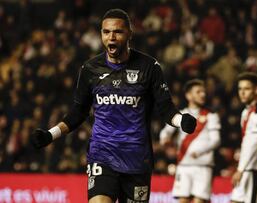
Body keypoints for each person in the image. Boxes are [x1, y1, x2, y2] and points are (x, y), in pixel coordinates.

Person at [30, 9, 197, 203]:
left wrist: (181, 120)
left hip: (137, 159)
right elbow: (77, 113)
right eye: (106, 32)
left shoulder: (149, 67)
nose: (111, 37)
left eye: (118, 32)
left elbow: (166, 109)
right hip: (102, 154)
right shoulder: (90, 69)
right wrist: (50, 134)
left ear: (129, 34)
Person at [159, 79, 221, 203]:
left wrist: (199, 151)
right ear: (188, 95)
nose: (203, 94)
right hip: (184, 165)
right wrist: (165, 140)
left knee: (199, 201)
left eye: (203, 92)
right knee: (183, 200)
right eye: (198, 92)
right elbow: (165, 132)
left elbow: (216, 140)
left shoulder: (211, 115)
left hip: (203, 165)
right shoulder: (181, 115)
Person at [231, 72, 257, 203]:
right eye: (240, 89)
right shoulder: (246, 112)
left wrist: (240, 169)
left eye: (247, 89)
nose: (242, 93)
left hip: (256, 169)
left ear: (256, 90)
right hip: (247, 168)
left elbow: (254, 143)